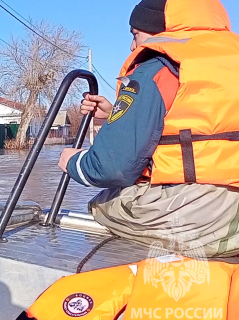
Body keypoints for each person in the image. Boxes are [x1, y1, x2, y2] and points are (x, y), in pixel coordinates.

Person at [57, 0, 239, 257]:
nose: (133, 46)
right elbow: (209, 126)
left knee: (105, 204)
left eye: (135, 35)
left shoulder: (160, 64)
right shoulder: (228, 55)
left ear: (159, 30)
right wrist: (114, 116)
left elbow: (113, 168)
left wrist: (74, 162)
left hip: (208, 211)